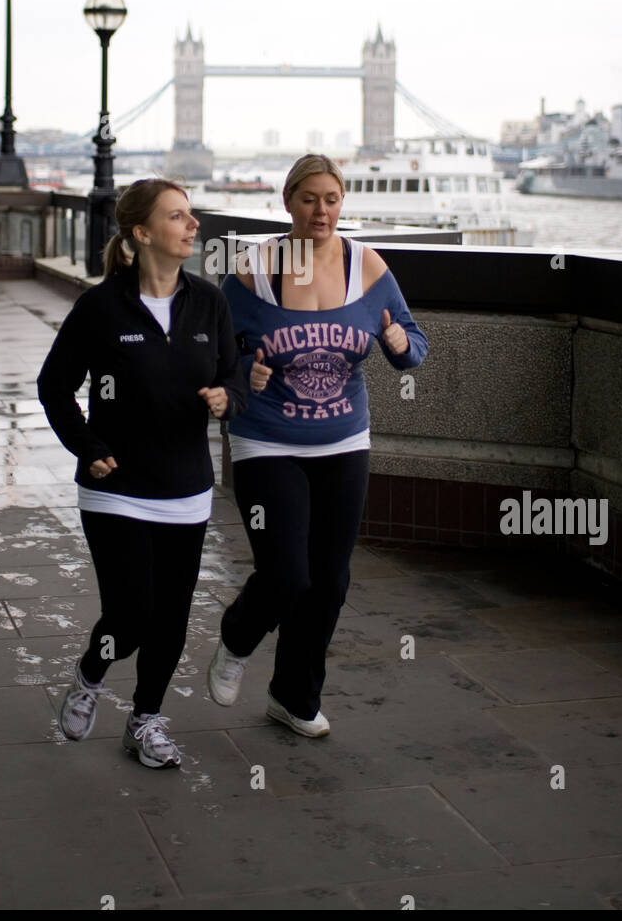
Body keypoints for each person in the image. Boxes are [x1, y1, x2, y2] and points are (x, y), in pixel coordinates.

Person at [208, 154, 429, 736]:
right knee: (287, 576)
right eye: (309, 199)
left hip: (343, 441)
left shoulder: (368, 267)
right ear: (288, 203)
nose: (322, 211)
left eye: (331, 199)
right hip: (267, 441)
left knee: (330, 580)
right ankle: (236, 639)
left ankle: (294, 697)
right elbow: (212, 351)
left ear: (343, 203)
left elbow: (414, 345)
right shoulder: (255, 269)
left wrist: (401, 342)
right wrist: (242, 371)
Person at [37, 179, 248, 769]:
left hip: (186, 488)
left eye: (191, 215)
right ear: (141, 233)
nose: (192, 225)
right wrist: (86, 444)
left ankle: (147, 720)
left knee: (172, 620)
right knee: (129, 617)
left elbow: (235, 377)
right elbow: (54, 387)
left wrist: (227, 399)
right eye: (177, 216)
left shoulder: (210, 301)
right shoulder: (101, 307)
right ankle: (91, 672)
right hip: (117, 489)